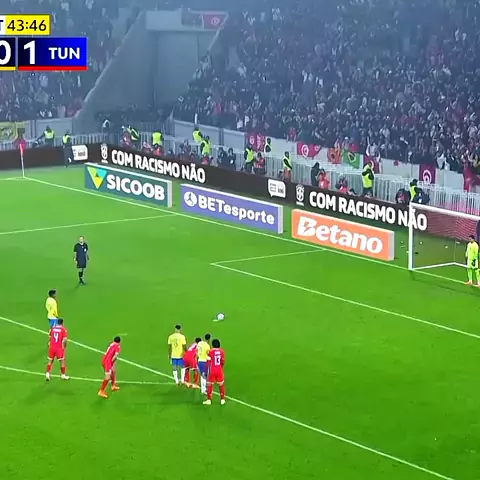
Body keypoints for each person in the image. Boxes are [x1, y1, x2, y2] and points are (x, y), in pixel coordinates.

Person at [203, 339, 226, 406]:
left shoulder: (210, 352)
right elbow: (223, 361)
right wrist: (221, 367)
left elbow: (208, 362)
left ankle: (209, 400)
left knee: (210, 385)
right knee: (221, 384)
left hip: (212, 370)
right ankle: (222, 400)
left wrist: (206, 369)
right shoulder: (222, 352)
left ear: (212, 345)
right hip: (219, 370)